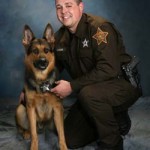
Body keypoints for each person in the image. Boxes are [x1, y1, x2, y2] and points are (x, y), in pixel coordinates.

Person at [19, 0, 141, 149]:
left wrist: (72, 86)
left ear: (80, 7)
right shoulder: (60, 37)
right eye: (59, 7)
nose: (63, 11)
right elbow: (52, 68)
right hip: (89, 91)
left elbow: (108, 69)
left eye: (68, 5)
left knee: (88, 94)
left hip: (121, 86)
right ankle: (116, 118)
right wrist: (29, 88)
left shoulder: (99, 28)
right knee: (71, 139)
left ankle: (112, 143)